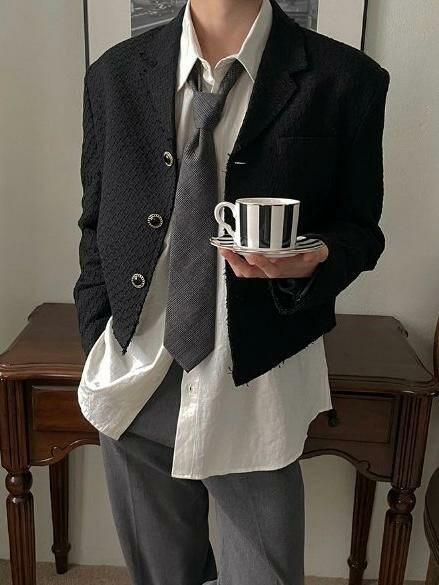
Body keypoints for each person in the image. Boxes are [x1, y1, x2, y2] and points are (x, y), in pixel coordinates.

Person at [73, 0, 390, 583]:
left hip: (257, 380)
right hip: (136, 373)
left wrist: (317, 258)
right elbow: (96, 220)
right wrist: (98, 334)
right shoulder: (113, 76)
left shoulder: (347, 80)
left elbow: (360, 231)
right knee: (161, 575)